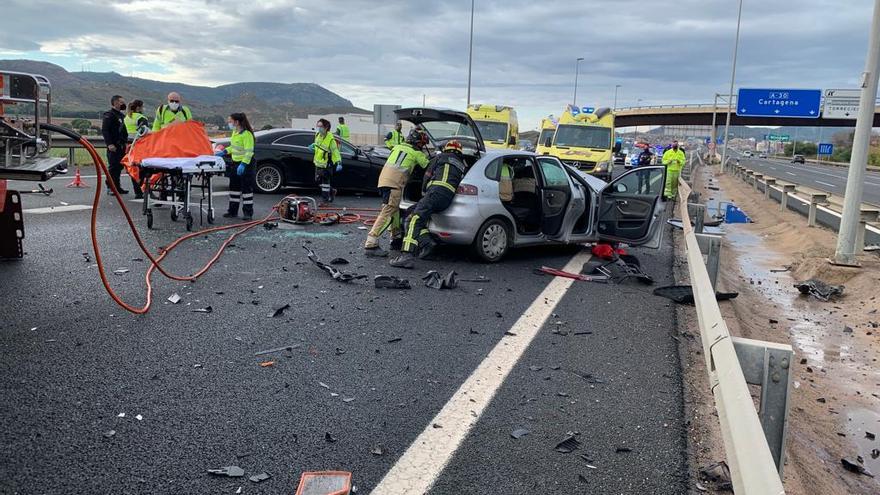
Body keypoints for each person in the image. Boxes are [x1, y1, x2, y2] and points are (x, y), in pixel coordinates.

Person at [390, 140, 468, 269]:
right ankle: (427, 243)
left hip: (435, 192)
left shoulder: (440, 157)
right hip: (447, 199)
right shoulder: (461, 165)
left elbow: (427, 175)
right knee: (412, 211)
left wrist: (424, 191)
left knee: (414, 218)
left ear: (446, 149)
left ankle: (406, 256)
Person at [363, 128, 430, 257]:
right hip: (394, 185)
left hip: (384, 182)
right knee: (388, 213)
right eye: (422, 144)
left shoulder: (397, 147)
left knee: (395, 212)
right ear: (417, 143)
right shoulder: (416, 153)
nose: (422, 147)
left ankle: (396, 238)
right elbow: (428, 165)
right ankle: (371, 243)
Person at [222, 113, 256, 220]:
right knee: (234, 189)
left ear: (236, 122)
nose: (229, 123)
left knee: (246, 190)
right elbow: (233, 147)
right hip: (235, 163)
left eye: (230, 121)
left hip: (246, 165)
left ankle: (248, 213)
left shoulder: (247, 134)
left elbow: (249, 152)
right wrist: (224, 151)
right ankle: (232, 211)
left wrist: (243, 164)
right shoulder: (235, 132)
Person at [101, 95, 129, 196]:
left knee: (119, 167)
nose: (123, 104)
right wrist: (109, 144)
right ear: (115, 103)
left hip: (121, 146)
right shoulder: (109, 115)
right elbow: (105, 130)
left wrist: (125, 142)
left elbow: (124, 131)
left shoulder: (121, 116)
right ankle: (110, 187)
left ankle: (117, 187)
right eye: (121, 102)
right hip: (113, 146)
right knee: (113, 168)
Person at [309, 118, 341, 202]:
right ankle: (332, 191)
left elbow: (335, 151)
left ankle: (325, 200)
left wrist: (338, 162)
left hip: (326, 164)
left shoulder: (330, 139)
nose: (319, 128)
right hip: (318, 163)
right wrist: (313, 146)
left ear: (326, 127)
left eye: (321, 126)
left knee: (325, 184)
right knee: (318, 181)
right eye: (318, 126)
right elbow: (318, 145)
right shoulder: (317, 135)